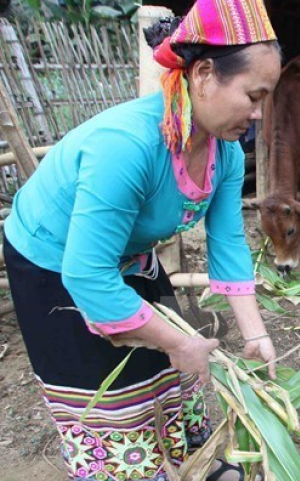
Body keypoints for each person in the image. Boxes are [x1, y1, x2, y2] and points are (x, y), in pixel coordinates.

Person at [2, 0, 282, 479]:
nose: (259, 114)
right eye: (253, 95)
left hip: (129, 255)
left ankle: (189, 463)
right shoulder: (127, 148)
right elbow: (86, 274)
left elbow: (229, 242)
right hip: (54, 264)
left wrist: (255, 334)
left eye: (266, 99)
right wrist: (176, 340)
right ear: (206, 74)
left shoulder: (225, 151)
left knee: (174, 370)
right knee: (110, 386)